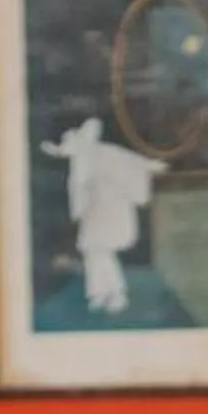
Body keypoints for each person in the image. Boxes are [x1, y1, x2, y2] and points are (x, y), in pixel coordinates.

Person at [41, 116, 165, 314]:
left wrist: (150, 165)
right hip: (93, 210)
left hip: (111, 208)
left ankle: (115, 293)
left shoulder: (106, 153)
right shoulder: (81, 157)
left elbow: (131, 161)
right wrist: (54, 150)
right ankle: (100, 293)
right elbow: (65, 154)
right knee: (93, 251)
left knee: (99, 250)